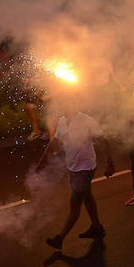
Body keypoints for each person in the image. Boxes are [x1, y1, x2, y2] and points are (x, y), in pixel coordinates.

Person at [38, 105, 114, 249]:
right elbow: (54, 143)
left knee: (75, 204)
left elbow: (103, 141)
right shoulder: (62, 122)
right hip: (73, 169)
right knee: (87, 196)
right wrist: (41, 164)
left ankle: (60, 238)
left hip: (85, 168)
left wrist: (109, 163)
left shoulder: (87, 121)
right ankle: (97, 227)